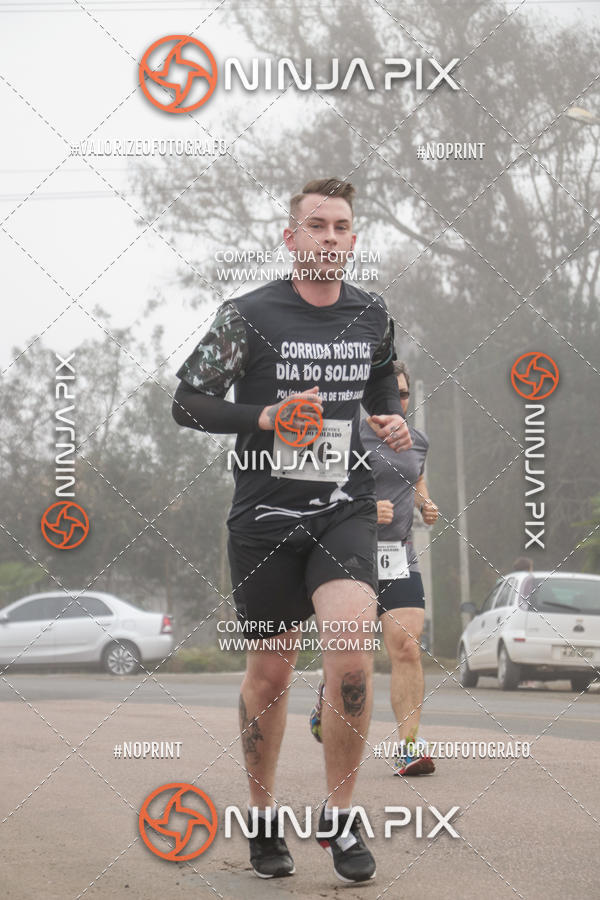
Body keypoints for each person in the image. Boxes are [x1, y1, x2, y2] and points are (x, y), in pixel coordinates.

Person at [172, 178, 411, 883]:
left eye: (342, 227)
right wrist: (265, 418)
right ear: (291, 237)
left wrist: (389, 418)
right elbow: (187, 402)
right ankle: (263, 817)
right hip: (265, 518)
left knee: (349, 659)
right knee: (271, 675)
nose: (330, 237)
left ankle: (340, 821)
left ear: (353, 239)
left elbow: (381, 389)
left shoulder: (373, 316)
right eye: (317, 225)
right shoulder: (248, 315)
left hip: (344, 510)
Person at [310, 361, 439, 776]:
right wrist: (363, 508)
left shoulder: (416, 440)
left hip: (398, 552)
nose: (398, 401)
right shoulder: (346, 434)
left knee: (407, 646)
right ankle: (325, 699)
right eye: (391, 394)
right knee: (352, 655)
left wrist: (425, 504)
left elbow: (415, 478)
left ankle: (408, 746)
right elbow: (316, 490)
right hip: (350, 553)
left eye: (404, 394)